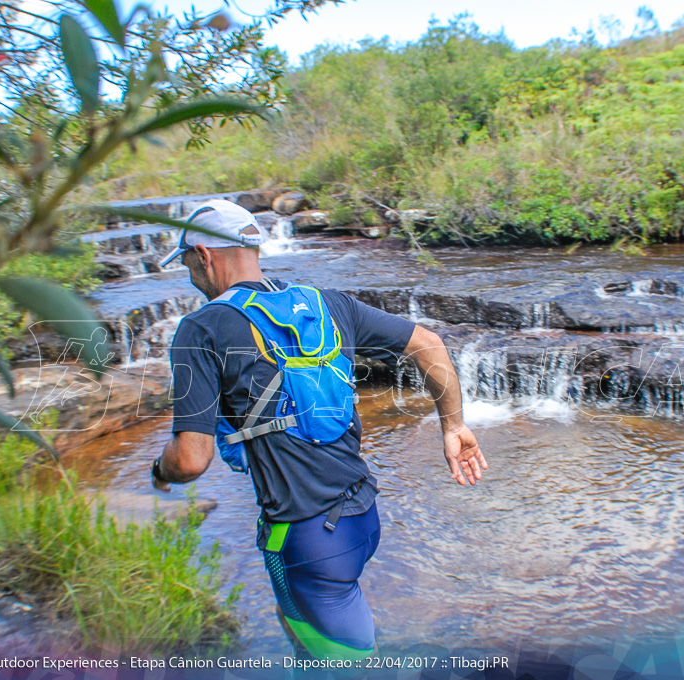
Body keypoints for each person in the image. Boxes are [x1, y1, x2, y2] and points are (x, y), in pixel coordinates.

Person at [149, 199, 487, 660]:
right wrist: (453, 426)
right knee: (317, 639)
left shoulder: (201, 328)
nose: (188, 273)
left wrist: (159, 471)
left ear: (204, 255)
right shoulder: (326, 303)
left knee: (342, 662)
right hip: (362, 516)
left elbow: (191, 459)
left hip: (305, 540)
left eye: (186, 260)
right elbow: (428, 344)